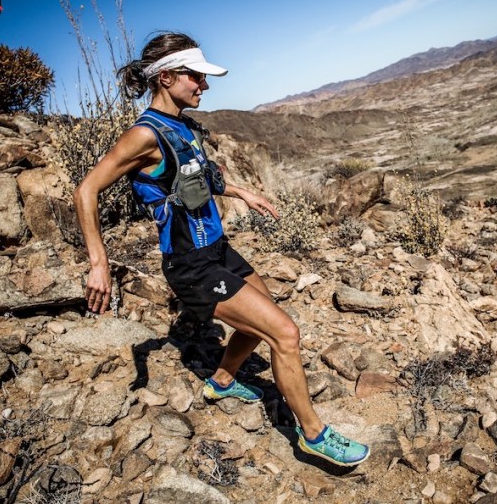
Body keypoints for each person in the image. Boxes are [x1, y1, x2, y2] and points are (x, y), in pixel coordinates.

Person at [73, 32, 370, 467]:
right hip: (191, 266)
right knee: (284, 333)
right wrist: (99, 265)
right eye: (195, 77)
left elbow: (197, 177)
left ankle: (224, 380)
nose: (204, 85)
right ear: (167, 77)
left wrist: (240, 191)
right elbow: (86, 190)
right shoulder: (143, 135)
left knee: (261, 318)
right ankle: (313, 435)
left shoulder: (183, 125)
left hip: (217, 250)